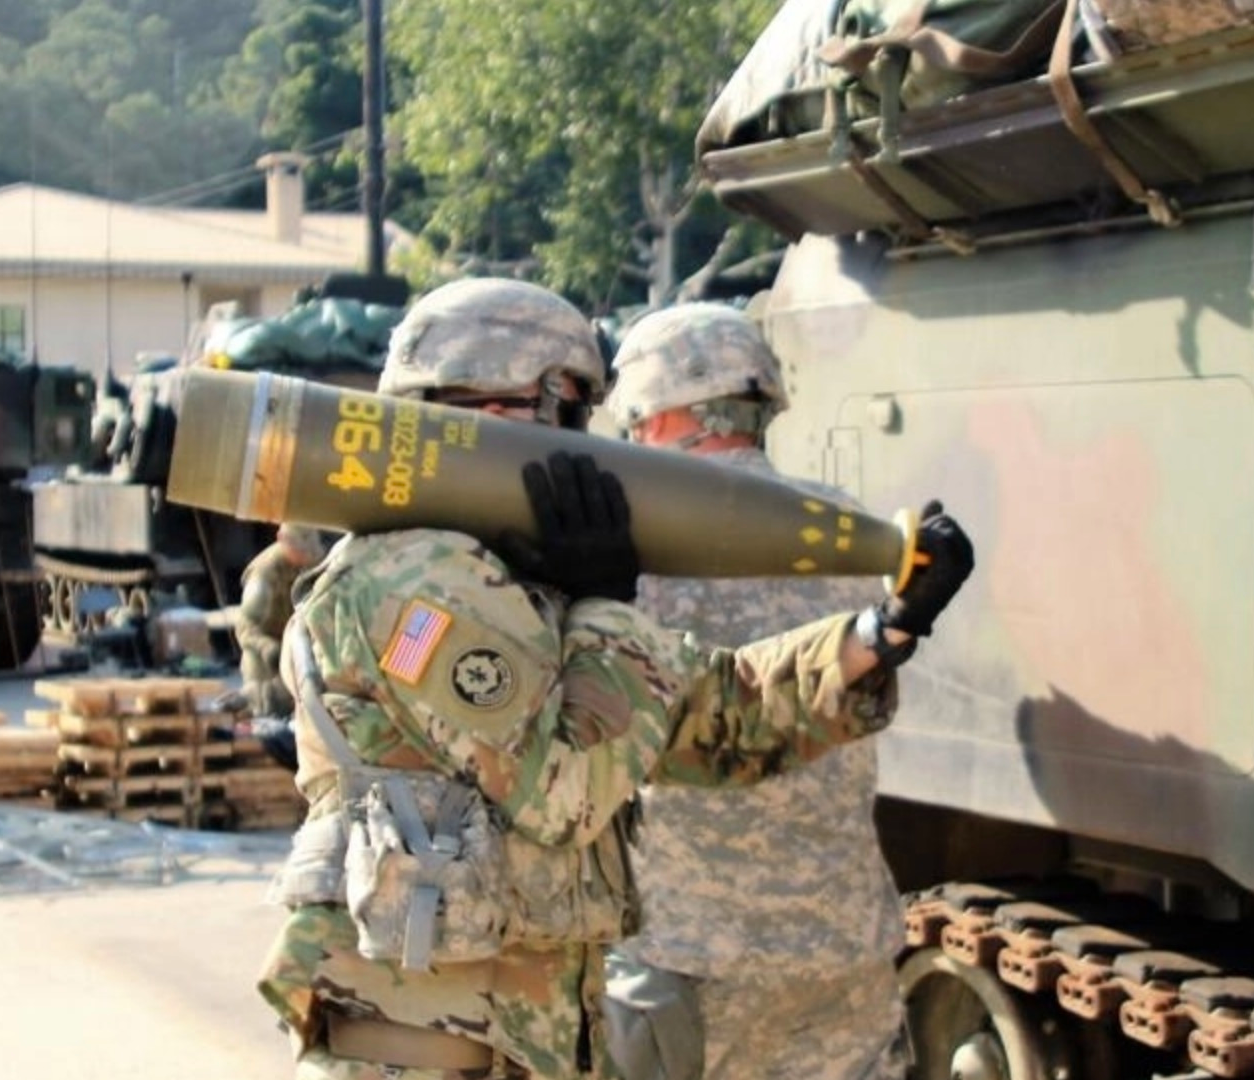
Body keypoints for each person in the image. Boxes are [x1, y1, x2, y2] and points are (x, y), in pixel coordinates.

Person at [255, 278, 974, 1080]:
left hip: (515, 1035)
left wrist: (882, 633)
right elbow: (563, 794)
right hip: (426, 1045)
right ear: (517, 410)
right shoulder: (408, 584)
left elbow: (707, 707)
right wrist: (604, 606)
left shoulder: (510, 574)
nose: (591, 442)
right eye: (575, 414)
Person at [599, 303, 904, 1080]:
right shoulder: (840, 524)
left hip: (689, 955)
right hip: (844, 945)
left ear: (655, 413)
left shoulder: (629, 541)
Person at [237, 523, 329, 718]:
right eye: (301, 551)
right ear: (283, 541)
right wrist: (268, 648)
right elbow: (246, 629)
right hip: (265, 657)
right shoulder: (264, 574)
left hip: (296, 645)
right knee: (264, 710)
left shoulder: (313, 563)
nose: (307, 557)